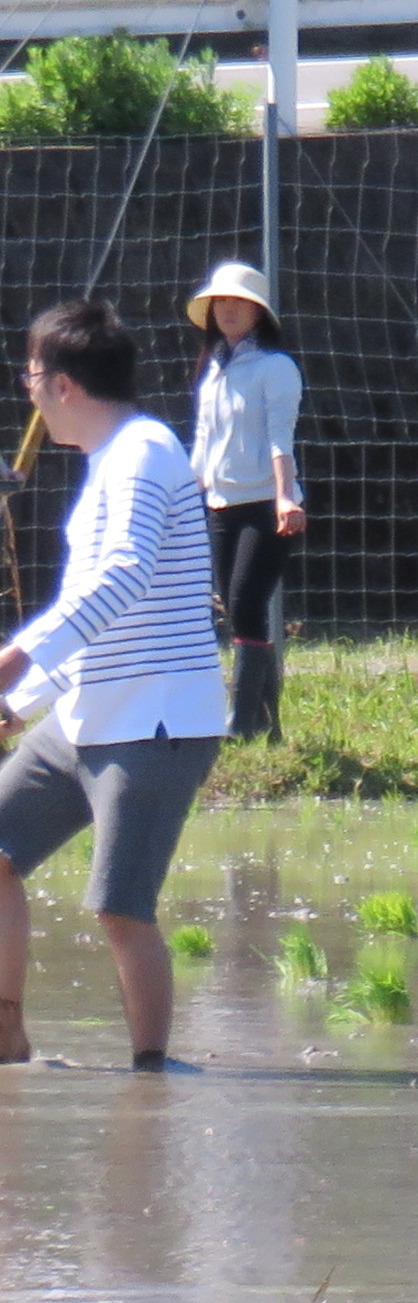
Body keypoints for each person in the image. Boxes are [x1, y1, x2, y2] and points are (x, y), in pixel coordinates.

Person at [0, 298, 225, 1069]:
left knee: (121, 910)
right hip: (85, 714)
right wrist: (17, 699)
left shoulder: (144, 452)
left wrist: (17, 665)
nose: (26, 390)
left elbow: (123, 576)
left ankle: (152, 1080)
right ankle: (7, 1038)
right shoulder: (108, 464)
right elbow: (83, 606)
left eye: (30, 375)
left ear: (63, 384)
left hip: (156, 721)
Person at [183, 262, 304, 744]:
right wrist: (184, 496)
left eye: (239, 303)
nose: (228, 309)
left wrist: (285, 498)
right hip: (220, 504)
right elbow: (203, 439)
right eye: (221, 302)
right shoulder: (212, 368)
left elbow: (281, 439)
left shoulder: (276, 368)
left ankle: (242, 722)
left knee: (245, 601)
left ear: (258, 313)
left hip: (264, 504)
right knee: (237, 611)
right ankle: (268, 728)